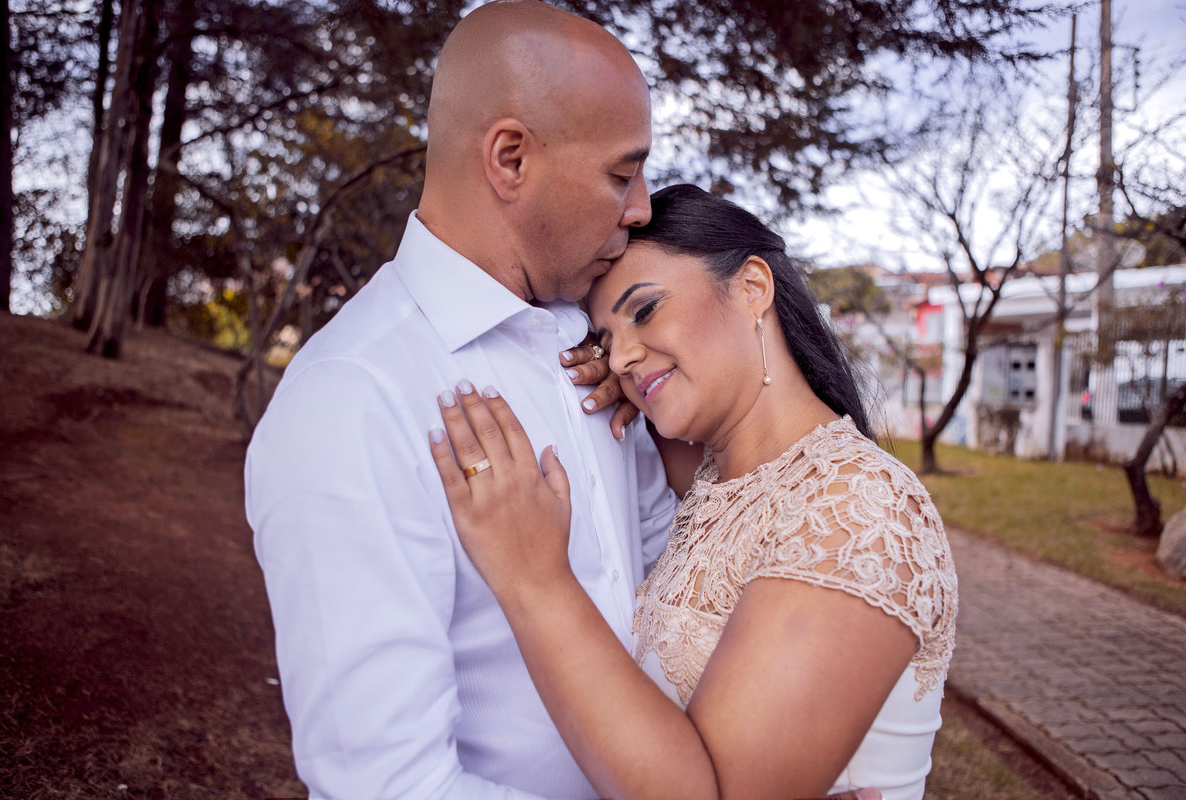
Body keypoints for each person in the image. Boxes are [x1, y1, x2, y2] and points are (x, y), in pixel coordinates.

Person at [244, 2, 680, 798]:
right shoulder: (352, 401)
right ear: (510, 159)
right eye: (621, 174)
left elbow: (678, 589)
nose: (641, 207)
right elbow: (388, 785)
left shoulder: (597, 354)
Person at [428, 184, 959, 800]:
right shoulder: (719, 477)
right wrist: (629, 376)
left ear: (752, 287)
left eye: (645, 310)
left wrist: (535, 580)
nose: (620, 358)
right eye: (604, 340)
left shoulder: (856, 507)